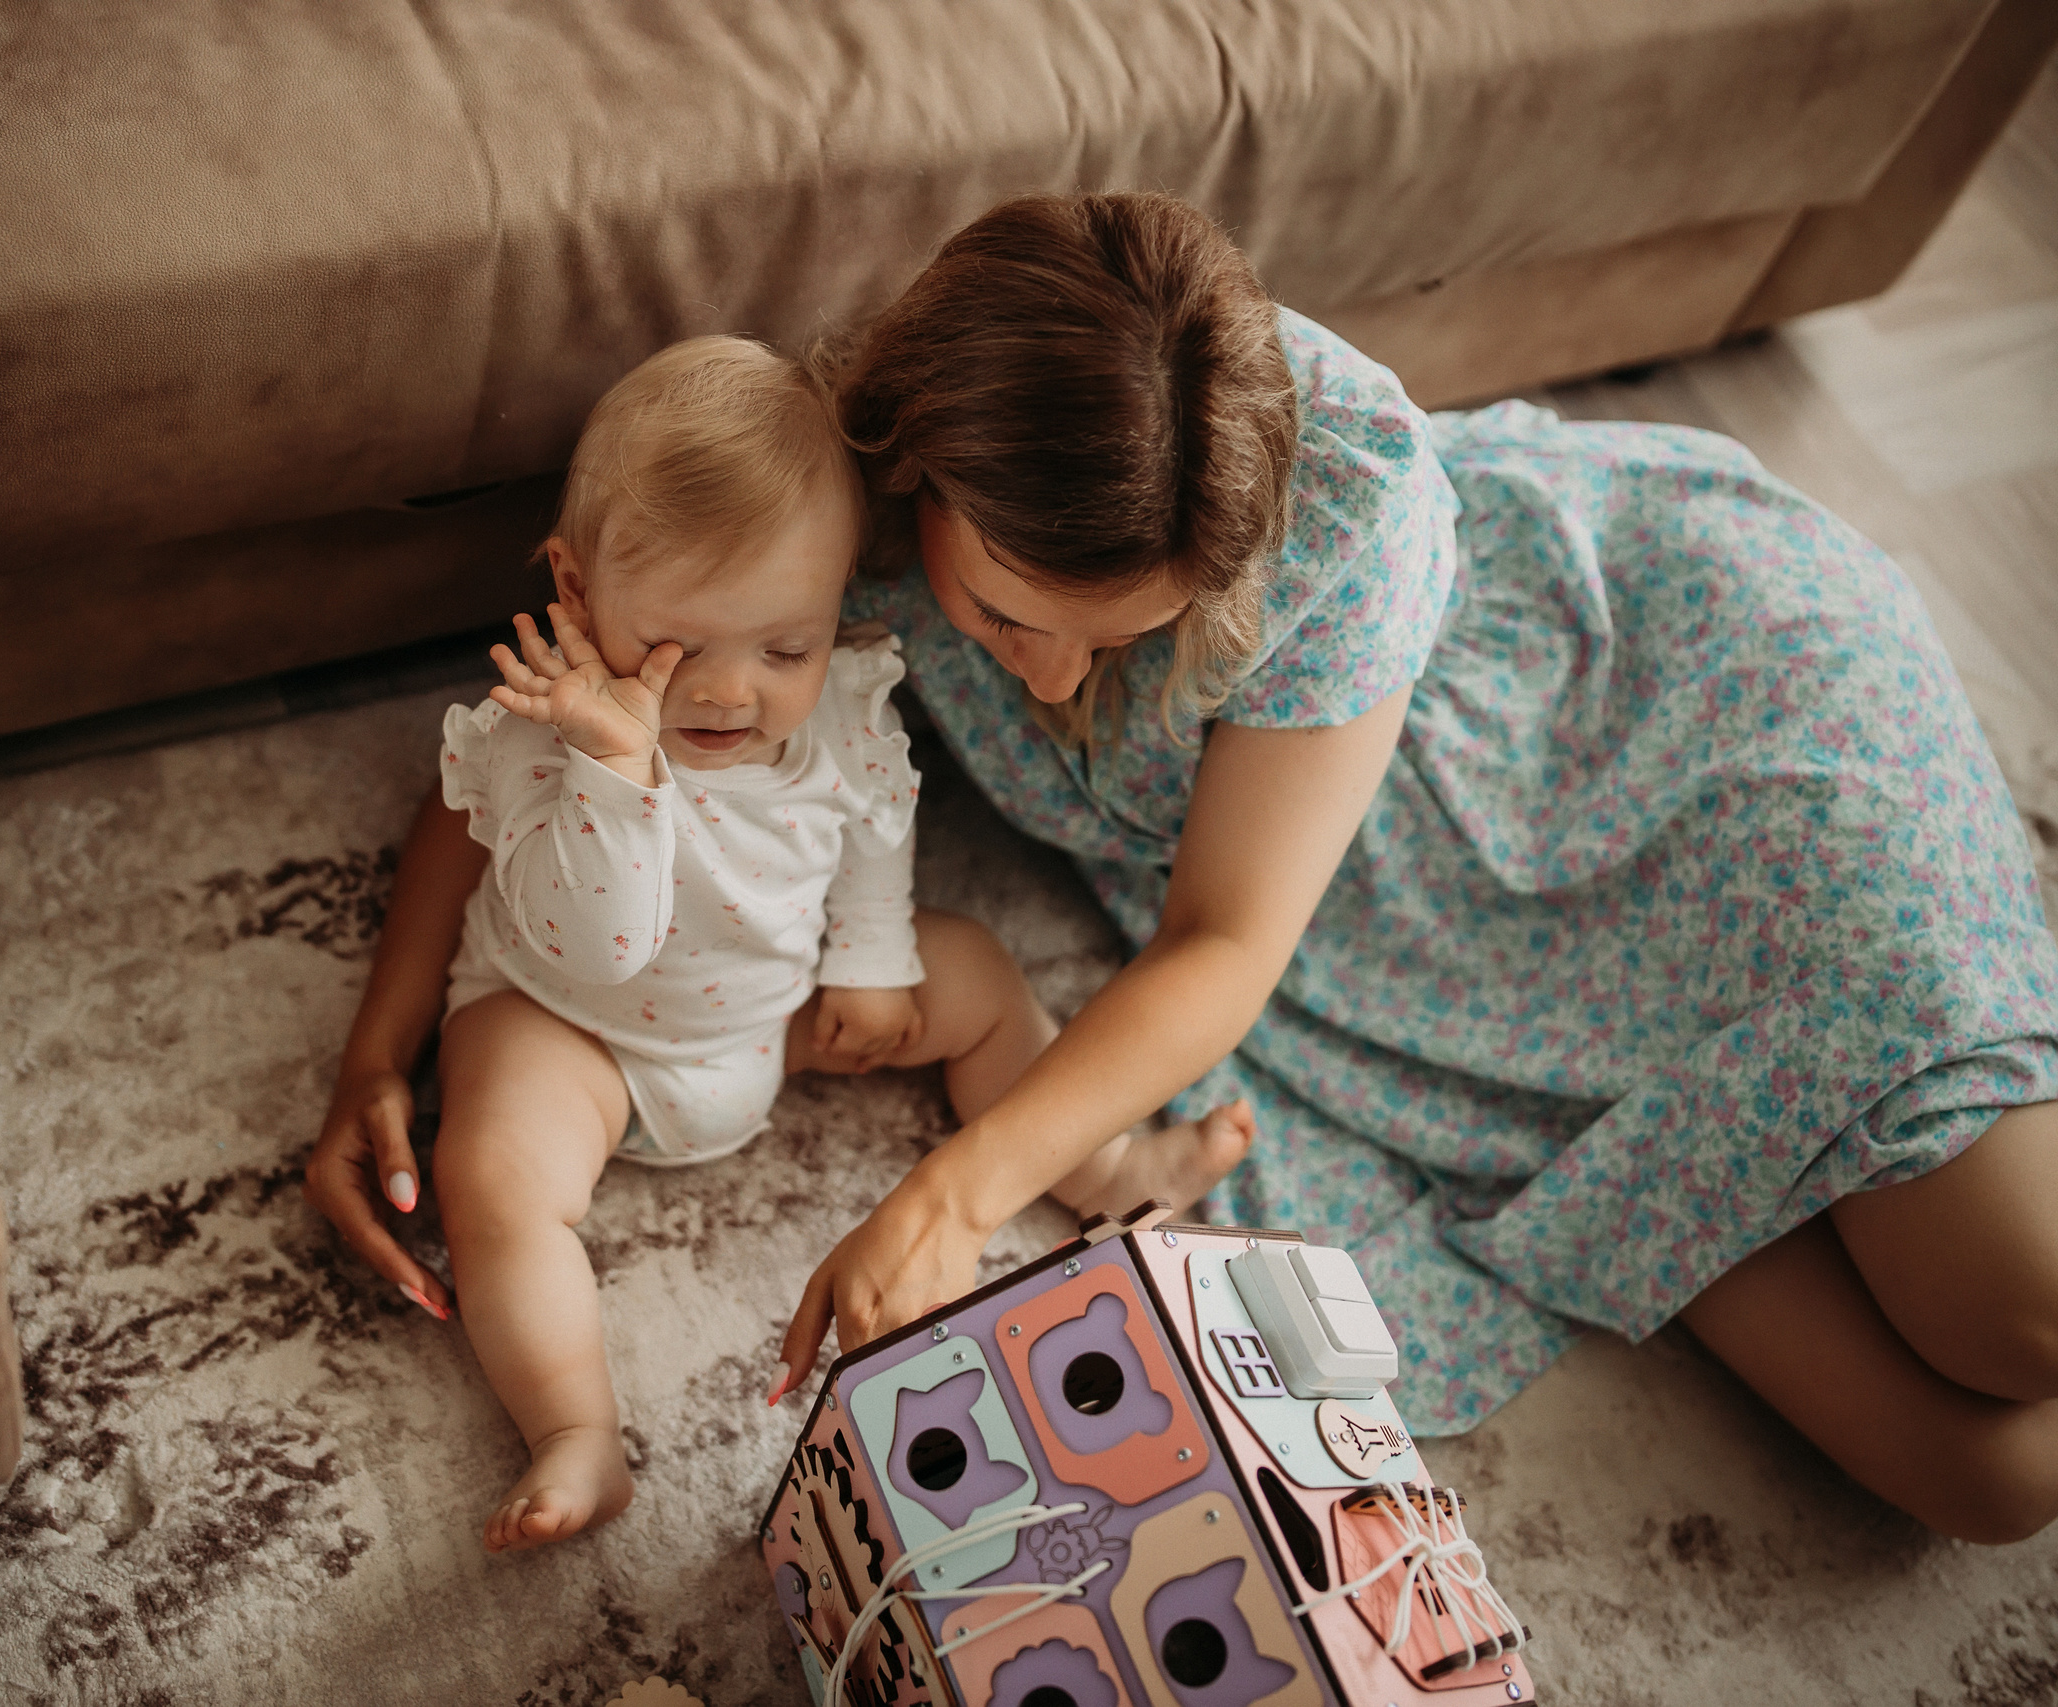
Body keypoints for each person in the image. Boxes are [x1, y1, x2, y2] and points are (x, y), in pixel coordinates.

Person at [773, 193, 2058, 1545]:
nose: (1047, 678)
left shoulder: (1346, 496)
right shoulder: (848, 485)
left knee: (2025, 1311)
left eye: (1116, 638)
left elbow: (1223, 939)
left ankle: (1728, 1147)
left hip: (1686, 708)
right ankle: (1679, 1158)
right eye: (1006, 616)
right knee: (1998, 1486)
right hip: (1423, 923)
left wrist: (954, 1194)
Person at [302, 335, 1255, 1553]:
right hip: (579, 1030)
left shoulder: (842, 701)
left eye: (784, 649)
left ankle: (1106, 1168)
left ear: (835, 610)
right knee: (490, 1175)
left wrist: (871, 958)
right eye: (679, 649)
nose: (728, 693)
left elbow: (873, 823)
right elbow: (601, 946)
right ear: (576, 589)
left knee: (971, 969)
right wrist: (615, 769)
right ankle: (575, 1429)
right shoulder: (539, 737)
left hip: (776, 1004)